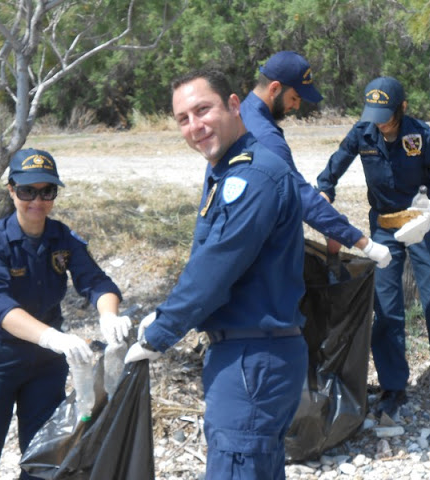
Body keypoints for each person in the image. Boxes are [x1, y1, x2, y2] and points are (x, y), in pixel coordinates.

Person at [124, 69, 308, 479]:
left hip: (252, 360)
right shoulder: (227, 169)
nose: (194, 126)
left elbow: (216, 266)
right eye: (183, 119)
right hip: (248, 357)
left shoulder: (252, 176)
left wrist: (161, 332)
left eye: (202, 110)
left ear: (234, 104)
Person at [0, 148, 132, 479]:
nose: (37, 200)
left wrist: (109, 315)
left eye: (46, 191)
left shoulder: (62, 238)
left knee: (45, 454)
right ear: (11, 190)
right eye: (27, 191)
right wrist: (51, 337)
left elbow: (96, 282)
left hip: (45, 365)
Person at [316, 76, 430, 426]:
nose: (380, 121)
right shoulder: (363, 132)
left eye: (386, 114)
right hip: (383, 228)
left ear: (402, 108)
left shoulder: (421, 134)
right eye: (374, 113)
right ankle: (393, 388)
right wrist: (324, 199)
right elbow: (329, 174)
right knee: (386, 309)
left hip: (422, 225)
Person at [240, 50, 391, 268]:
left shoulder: (243, 112)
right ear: (274, 88)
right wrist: (364, 243)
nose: (296, 106)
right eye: (294, 97)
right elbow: (297, 193)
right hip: (259, 252)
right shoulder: (265, 135)